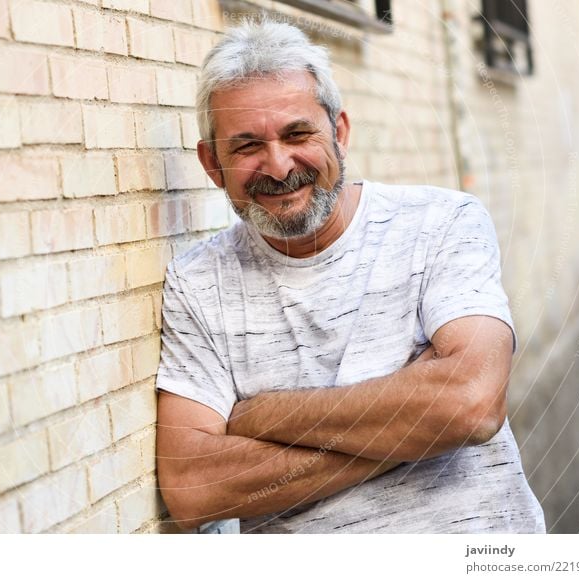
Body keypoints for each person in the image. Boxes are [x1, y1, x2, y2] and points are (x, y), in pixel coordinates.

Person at [154, 19, 545, 534]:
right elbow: (195, 490)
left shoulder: (441, 223)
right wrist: (413, 425)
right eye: (246, 146)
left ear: (339, 132)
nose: (277, 165)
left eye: (297, 134)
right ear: (211, 164)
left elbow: (471, 405)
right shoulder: (197, 283)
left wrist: (262, 417)